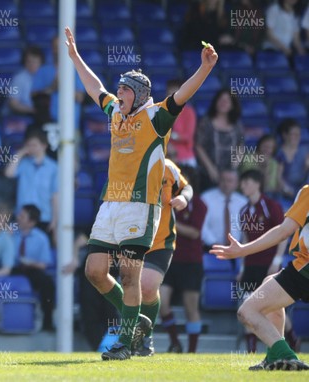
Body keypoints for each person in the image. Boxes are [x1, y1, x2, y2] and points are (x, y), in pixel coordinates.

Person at [65, 26, 218, 360]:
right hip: (110, 205)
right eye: (118, 87)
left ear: (137, 93)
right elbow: (95, 88)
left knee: (130, 273)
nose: (117, 92)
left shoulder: (156, 117)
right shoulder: (116, 114)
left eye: (123, 88)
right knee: (93, 271)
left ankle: (125, 342)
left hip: (140, 207)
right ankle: (140, 321)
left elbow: (184, 96)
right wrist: (76, 58)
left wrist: (205, 68)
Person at [210, 185, 309, 371]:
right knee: (268, 282)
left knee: (247, 311)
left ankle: (287, 356)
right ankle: (273, 357)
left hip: (305, 268)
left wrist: (242, 250)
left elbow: (283, 231)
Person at [136, 159, 192, 356]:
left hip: (161, 241)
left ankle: (145, 337)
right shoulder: (126, 163)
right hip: (132, 238)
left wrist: (184, 198)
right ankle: (130, 336)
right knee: (130, 287)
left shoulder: (168, 167)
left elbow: (187, 188)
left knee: (148, 285)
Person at [237, 169, 289, 353]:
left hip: (269, 266)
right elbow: (245, 240)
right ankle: (251, 351)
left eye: (246, 182)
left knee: (275, 309)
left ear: (257, 184)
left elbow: (283, 234)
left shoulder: (271, 206)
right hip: (251, 266)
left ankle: (290, 341)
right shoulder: (244, 210)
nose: (243, 186)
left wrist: (276, 261)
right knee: (247, 306)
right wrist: (242, 266)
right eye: (242, 183)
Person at [160, 166, 208, 354]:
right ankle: (175, 343)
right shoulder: (165, 200)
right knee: (162, 303)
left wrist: (169, 222)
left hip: (191, 262)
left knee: (191, 309)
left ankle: (192, 352)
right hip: (168, 258)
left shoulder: (199, 204)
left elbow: (194, 232)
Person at [5, 129, 58, 235]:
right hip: (23, 216)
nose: (30, 148)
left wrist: (55, 219)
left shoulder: (54, 167)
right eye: (28, 145)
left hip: (44, 216)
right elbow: (9, 173)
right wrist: (20, 153)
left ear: (44, 146)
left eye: (34, 145)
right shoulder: (23, 163)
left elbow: (55, 195)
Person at [12, 204, 55, 331]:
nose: (18, 218)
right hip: (13, 268)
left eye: (22, 216)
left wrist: (30, 263)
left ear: (31, 222)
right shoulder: (10, 232)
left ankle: (48, 322)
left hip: (32, 269)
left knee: (48, 283)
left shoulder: (41, 238)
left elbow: (44, 264)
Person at [195, 89, 244, 190]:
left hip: (230, 173)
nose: (223, 103)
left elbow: (241, 146)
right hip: (208, 173)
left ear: (233, 104)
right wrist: (210, 168)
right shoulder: (206, 122)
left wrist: (234, 167)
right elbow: (199, 146)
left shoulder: (237, 124)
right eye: (221, 100)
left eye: (227, 101)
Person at [201, 168, 247, 256]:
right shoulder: (206, 199)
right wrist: (215, 243)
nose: (226, 184)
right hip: (210, 250)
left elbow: (246, 229)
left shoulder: (243, 202)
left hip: (239, 251)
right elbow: (202, 226)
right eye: (223, 180)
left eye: (229, 181)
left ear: (237, 183)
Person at [275, 118, 309, 204]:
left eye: (298, 134)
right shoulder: (279, 153)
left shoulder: (305, 150)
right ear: (285, 135)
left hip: (303, 189)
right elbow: (278, 178)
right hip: (285, 192)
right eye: (293, 134)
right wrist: (288, 190)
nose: (297, 137)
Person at [165, 79, 197, 167]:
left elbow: (187, 136)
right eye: (169, 93)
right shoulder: (162, 110)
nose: (172, 97)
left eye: (175, 94)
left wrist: (171, 136)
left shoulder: (189, 112)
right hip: (165, 156)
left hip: (185, 158)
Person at [7, 45, 44, 116]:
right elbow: (13, 104)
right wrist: (32, 110)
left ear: (41, 62)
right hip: (23, 115)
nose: (32, 64)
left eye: (35, 61)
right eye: (29, 61)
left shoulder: (46, 76)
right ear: (24, 62)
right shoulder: (18, 78)